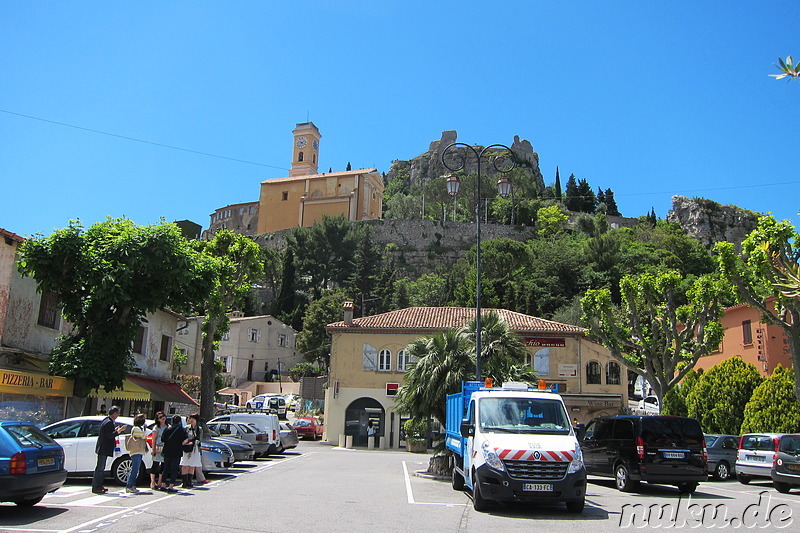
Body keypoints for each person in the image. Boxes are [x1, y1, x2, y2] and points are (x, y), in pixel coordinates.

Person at [92, 405, 123, 494]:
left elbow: (108, 432)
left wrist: (116, 430)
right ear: (114, 414)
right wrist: (118, 431)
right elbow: (110, 435)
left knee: (101, 468)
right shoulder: (108, 422)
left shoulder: (107, 420)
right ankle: (96, 487)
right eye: (117, 413)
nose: (118, 415)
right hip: (104, 447)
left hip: (103, 447)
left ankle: (99, 485)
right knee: (100, 468)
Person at [160, 415, 186, 493]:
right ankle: (171, 486)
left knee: (165, 468)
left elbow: (162, 439)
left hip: (167, 450)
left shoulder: (167, 429)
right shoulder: (181, 430)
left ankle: (163, 484)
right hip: (177, 451)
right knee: (174, 469)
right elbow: (184, 440)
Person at [125, 413, 148, 494]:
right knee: (134, 470)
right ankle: (129, 486)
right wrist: (145, 429)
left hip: (138, 451)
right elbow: (144, 436)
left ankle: (132, 485)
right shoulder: (136, 429)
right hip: (136, 452)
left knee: (136, 469)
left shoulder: (137, 428)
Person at [180, 413, 202, 488]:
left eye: (193, 419)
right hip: (186, 448)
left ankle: (189, 481)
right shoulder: (186, 428)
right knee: (185, 464)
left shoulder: (199, 429)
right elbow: (183, 438)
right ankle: (184, 482)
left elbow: (199, 439)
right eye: (190, 419)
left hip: (194, 449)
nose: (191, 420)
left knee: (192, 465)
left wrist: (193, 440)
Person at [149, 411, 168, 490]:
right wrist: (153, 449)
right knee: (155, 465)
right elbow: (154, 439)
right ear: (157, 419)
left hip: (165, 448)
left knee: (163, 466)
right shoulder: (156, 428)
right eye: (160, 417)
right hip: (157, 447)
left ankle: (160, 481)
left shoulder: (168, 427)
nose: (162, 418)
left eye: (163, 416)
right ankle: (153, 481)